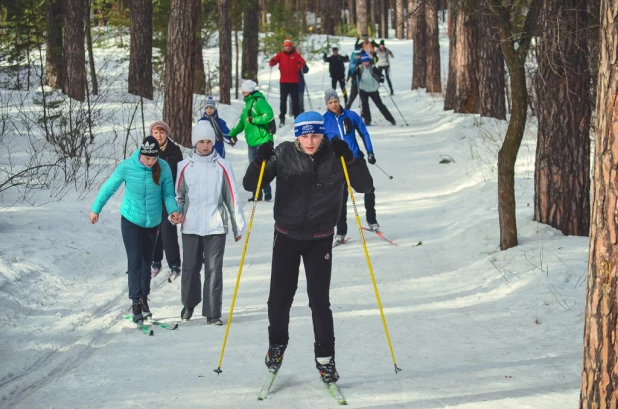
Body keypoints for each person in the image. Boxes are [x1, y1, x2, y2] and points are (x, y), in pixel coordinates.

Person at [242, 111, 372, 384]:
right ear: (297, 135)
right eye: (304, 135)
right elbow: (251, 187)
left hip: (320, 238)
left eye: (315, 134)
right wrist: (259, 162)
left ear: (323, 133)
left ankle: (325, 359)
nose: (310, 141)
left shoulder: (336, 155)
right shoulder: (283, 153)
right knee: (279, 298)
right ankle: (276, 346)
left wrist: (350, 158)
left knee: (319, 301)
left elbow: (364, 186)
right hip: (286, 236)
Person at [90, 136, 183, 323]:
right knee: (135, 261)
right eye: (147, 158)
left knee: (147, 261)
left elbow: (168, 193)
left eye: (153, 158)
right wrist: (95, 209)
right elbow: (109, 187)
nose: (150, 162)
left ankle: (143, 298)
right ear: (141, 154)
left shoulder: (163, 167)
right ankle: (135, 302)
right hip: (131, 220)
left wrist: (173, 210)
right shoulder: (127, 166)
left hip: (152, 222)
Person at [176, 121, 246, 325]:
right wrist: (177, 213)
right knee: (190, 267)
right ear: (195, 143)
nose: (205, 145)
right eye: (201, 141)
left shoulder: (223, 166)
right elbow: (178, 195)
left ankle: (213, 313)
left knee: (214, 269)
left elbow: (232, 196)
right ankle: (189, 304)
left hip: (216, 225)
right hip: (191, 225)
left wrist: (237, 224)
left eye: (209, 141)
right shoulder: (184, 166)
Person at [322, 89, 380, 244]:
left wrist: (370, 152)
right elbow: (321, 144)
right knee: (340, 198)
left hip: (354, 159)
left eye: (336, 101)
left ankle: (372, 220)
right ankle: (340, 232)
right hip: (337, 164)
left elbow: (364, 133)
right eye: (330, 102)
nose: (334, 105)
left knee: (369, 188)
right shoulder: (324, 121)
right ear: (326, 104)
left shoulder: (351, 115)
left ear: (339, 101)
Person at [148, 120, 184, 282]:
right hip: (152, 196)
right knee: (154, 230)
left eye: (161, 132)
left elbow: (179, 173)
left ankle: (174, 264)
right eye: (156, 132)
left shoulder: (174, 150)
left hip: (168, 195)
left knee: (168, 230)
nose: (159, 135)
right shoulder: (147, 149)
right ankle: (155, 261)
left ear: (166, 134)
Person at [229, 79, 275, 201]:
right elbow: (242, 122)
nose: (242, 92)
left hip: (263, 140)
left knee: (264, 167)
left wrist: (254, 120)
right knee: (254, 168)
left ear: (247, 91)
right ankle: (256, 194)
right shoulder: (247, 104)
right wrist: (232, 133)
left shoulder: (259, 101)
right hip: (252, 142)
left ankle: (267, 192)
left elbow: (269, 115)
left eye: (243, 90)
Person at [269, 38, 306, 127]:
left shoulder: (296, 55)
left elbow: (303, 62)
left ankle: (296, 118)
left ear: (291, 47)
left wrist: (299, 65)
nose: (288, 48)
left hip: (294, 82)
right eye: (286, 46)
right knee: (283, 101)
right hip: (284, 82)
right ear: (284, 47)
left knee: (295, 101)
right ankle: (282, 118)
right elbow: (271, 62)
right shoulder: (280, 55)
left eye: (289, 46)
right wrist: (273, 61)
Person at [355, 54, 396, 126]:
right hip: (363, 89)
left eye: (367, 61)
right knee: (365, 105)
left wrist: (381, 78)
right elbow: (355, 75)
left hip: (373, 89)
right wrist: (355, 75)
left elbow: (380, 75)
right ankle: (367, 121)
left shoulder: (373, 68)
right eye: (364, 62)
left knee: (380, 105)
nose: (365, 63)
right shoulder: (360, 68)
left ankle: (391, 119)